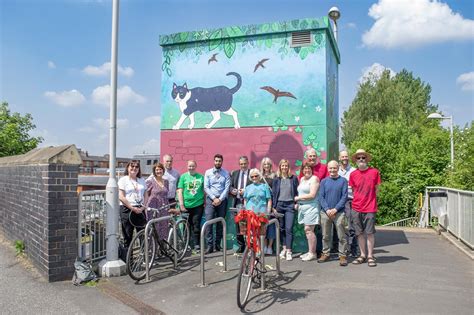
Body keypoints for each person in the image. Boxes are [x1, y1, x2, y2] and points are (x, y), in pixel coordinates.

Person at [349, 149, 381, 267]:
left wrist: (370, 200)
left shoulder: (374, 172)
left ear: (366, 159)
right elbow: (353, 190)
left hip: (370, 208)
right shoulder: (353, 174)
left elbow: (377, 189)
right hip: (356, 208)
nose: (361, 159)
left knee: (370, 233)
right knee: (359, 233)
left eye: (363, 157)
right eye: (359, 158)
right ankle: (362, 255)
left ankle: (370, 256)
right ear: (356, 161)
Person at [298, 148, 328, 257]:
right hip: (306, 204)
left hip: (319, 202)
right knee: (311, 229)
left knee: (319, 229)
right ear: (307, 157)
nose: (312, 158)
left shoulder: (324, 168)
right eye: (310, 156)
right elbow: (301, 185)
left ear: (316, 156)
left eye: (313, 156)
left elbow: (326, 184)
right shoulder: (305, 170)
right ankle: (313, 251)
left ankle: (319, 251)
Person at [318, 160, 349, 266]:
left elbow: (344, 196)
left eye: (334, 168)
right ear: (328, 168)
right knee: (325, 235)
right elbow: (321, 197)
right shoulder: (323, 181)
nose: (332, 170)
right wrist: (327, 209)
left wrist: (335, 209)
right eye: (330, 168)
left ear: (338, 168)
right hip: (325, 212)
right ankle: (325, 253)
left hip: (339, 212)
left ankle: (342, 256)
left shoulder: (343, 181)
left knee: (341, 236)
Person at [272, 159, 299, 261]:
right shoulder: (276, 179)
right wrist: (273, 207)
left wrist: (296, 203)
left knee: (289, 228)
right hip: (279, 205)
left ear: (288, 167)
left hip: (289, 206)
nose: (284, 167)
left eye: (286, 166)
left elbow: (297, 192)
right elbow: (274, 193)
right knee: (281, 228)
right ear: (280, 167)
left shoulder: (293, 178)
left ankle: (289, 251)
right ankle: (283, 248)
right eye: (282, 166)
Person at [203, 154, 231, 254]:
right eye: (216, 161)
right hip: (211, 199)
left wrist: (220, 199)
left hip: (222, 200)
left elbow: (227, 188)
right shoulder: (208, 172)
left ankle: (218, 244)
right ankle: (209, 246)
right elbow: (206, 187)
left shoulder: (226, 173)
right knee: (209, 222)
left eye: (219, 161)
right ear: (214, 161)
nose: (218, 162)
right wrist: (214, 198)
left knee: (220, 222)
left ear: (222, 162)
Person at [118, 161, 148, 251]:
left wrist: (143, 207)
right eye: (132, 166)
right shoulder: (123, 180)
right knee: (128, 236)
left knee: (143, 234)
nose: (134, 168)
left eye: (136, 167)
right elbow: (121, 197)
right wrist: (132, 208)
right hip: (127, 209)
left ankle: (144, 259)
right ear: (128, 168)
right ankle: (129, 262)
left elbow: (146, 194)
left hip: (140, 208)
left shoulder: (142, 180)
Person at [177, 160, 205, 252]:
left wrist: (205, 201)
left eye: (193, 166)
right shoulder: (183, 177)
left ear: (196, 166)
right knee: (186, 226)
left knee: (196, 225)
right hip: (186, 206)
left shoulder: (201, 177)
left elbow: (205, 190)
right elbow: (179, 191)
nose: (191, 168)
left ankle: (197, 244)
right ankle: (186, 245)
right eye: (189, 166)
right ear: (187, 166)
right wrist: (181, 204)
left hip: (198, 205)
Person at [295, 162, 321, 261]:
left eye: (309, 168)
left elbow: (312, 195)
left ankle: (312, 253)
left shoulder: (314, 179)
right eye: (305, 169)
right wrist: (299, 203)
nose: (307, 170)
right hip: (303, 208)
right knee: (307, 231)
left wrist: (298, 198)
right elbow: (301, 192)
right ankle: (310, 251)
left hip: (312, 207)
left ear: (312, 169)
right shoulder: (302, 179)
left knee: (309, 230)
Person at [230, 156, 251, 253]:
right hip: (237, 201)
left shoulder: (252, 173)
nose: (243, 165)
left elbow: (256, 185)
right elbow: (230, 186)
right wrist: (232, 190)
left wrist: (246, 191)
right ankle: (241, 245)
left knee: (249, 224)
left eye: (245, 163)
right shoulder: (235, 173)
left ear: (248, 163)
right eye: (241, 164)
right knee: (238, 224)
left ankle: (250, 245)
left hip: (248, 202)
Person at [338, 150, 358, 257]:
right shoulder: (337, 171)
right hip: (339, 200)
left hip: (351, 200)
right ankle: (342, 249)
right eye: (343, 156)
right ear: (339, 158)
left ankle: (353, 248)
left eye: (346, 156)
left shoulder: (354, 171)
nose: (345, 158)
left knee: (351, 225)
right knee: (340, 225)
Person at [145, 163, 170, 241]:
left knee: (164, 227)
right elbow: (145, 193)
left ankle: (161, 249)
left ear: (163, 170)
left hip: (164, 207)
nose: (159, 171)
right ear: (154, 171)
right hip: (153, 207)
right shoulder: (150, 181)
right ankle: (152, 250)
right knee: (154, 228)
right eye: (157, 170)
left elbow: (166, 194)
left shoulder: (166, 181)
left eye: (160, 169)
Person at [260, 157, 276, 255]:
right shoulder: (259, 176)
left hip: (272, 203)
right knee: (263, 226)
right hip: (262, 204)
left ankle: (270, 247)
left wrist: (274, 206)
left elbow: (276, 192)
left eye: (268, 164)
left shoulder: (274, 176)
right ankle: (264, 246)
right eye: (265, 164)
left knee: (271, 226)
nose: (266, 166)